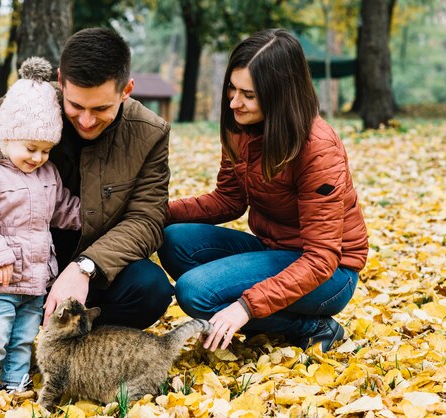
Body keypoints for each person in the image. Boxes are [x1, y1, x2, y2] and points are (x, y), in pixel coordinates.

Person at [0, 28, 174, 384]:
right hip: (0, 257)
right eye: (75, 106)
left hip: (85, 256)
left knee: (150, 288)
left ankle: (76, 363)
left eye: (100, 108)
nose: (86, 120)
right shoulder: (17, 108)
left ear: (126, 90)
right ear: (60, 81)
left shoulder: (150, 133)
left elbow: (146, 219)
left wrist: (85, 268)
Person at [158, 28, 368, 354]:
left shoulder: (317, 148)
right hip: (273, 249)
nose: (233, 102)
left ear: (280, 94)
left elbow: (321, 257)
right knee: (174, 240)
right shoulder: (241, 125)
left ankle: (313, 327)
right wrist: (156, 212)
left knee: (195, 292)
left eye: (249, 95)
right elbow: (228, 200)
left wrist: (245, 306)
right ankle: (269, 315)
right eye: (232, 88)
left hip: (331, 274)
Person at [0, 57, 81, 393]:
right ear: (7, 137)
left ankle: (14, 384)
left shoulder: (47, 174)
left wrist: (94, 216)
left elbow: (63, 209)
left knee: (24, 338)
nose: (38, 157)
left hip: (35, 280)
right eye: (31, 148)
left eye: (46, 150)